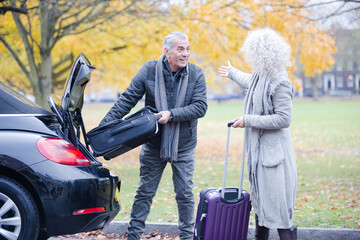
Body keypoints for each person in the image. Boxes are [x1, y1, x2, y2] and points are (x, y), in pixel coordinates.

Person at [100, 31, 207, 240]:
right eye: (180, 49)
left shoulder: (196, 73)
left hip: (183, 145)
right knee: (145, 192)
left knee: (185, 194)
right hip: (153, 143)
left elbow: (200, 107)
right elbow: (127, 100)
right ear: (166, 51)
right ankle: (133, 235)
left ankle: (187, 236)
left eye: (188, 49)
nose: (185, 54)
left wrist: (172, 115)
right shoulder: (149, 70)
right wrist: (104, 127)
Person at [218, 27, 297, 240]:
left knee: (279, 210)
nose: (250, 58)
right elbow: (249, 80)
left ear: (262, 54)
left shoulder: (280, 80)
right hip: (261, 154)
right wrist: (232, 73)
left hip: (275, 157)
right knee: (261, 207)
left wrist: (248, 120)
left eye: (253, 53)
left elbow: (284, 119)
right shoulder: (262, 76)